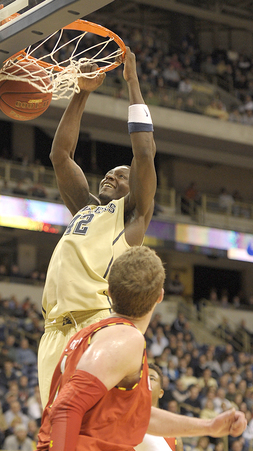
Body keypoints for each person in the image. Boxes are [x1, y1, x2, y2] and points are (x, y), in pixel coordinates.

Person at [38, 47, 157, 407]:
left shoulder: (132, 215)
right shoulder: (84, 209)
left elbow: (145, 154)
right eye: (109, 172)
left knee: (87, 430)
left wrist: (133, 82)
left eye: (121, 176)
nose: (111, 176)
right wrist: (82, 91)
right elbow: (61, 155)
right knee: (56, 433)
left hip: (93, 327)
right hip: (52, 333)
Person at [37, 247, 246, 451]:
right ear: (160, 296)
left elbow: (137, 417)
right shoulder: (126, 339)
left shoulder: (98, 333)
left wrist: (208, 427)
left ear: (109, 291)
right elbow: (66, 407)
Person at [135, 363, 183, 451]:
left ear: (161, 393)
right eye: (142, 378)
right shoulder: (121, 420)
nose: (146, 380)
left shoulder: (174, 433)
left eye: (151, 378)